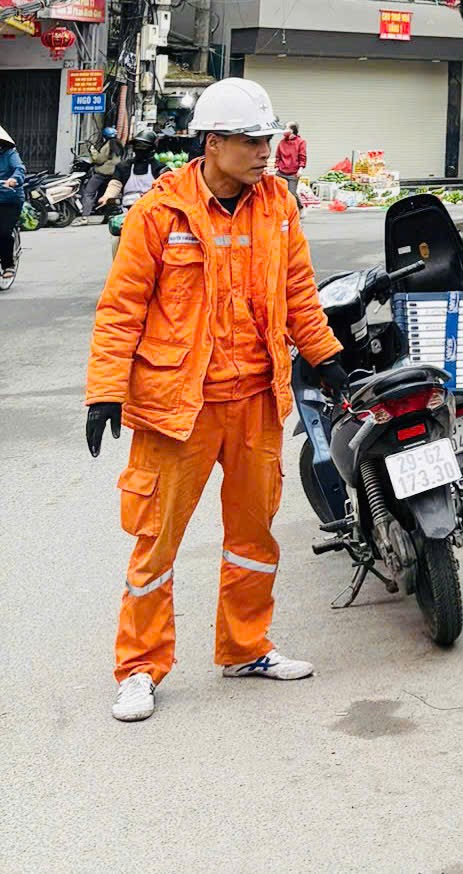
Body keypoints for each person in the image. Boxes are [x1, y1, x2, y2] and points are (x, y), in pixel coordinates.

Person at [85, 77, 352, 723]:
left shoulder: (278, 206)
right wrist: (104, 392)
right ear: (214, 143)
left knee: (253, 535)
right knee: (157, 539)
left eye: (269, 140)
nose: (266, 152)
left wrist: (328, 358)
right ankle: (140, 667)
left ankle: (245, 647)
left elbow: (298, 294)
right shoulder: (161, 211)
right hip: (179, 404)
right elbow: (122, 309)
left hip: (257, 397)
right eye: (253, 141)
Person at [0, 123, 26, 288]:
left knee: (2, 232)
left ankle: (8, 265)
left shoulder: (10, 154)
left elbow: (20, 169)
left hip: (10, 199)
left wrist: (14, 180)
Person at [79, 125, 122, 215]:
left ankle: (85, 215)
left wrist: (93, 151)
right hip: (113, 174)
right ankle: (106, 214)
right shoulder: (119, 145)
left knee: (88, 192)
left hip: (102, 174)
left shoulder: (107, 145)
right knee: (106, 194)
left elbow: (99, 159)